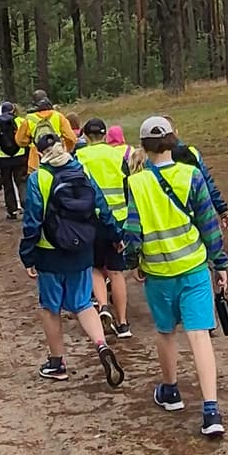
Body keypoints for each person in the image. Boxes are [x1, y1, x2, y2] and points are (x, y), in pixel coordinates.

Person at [124, 117, 228, 437]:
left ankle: (170, 391)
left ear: (143, 146)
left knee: (166, 331)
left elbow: (132, 231)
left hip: (158, 272)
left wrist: (135, 262)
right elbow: (209, 225)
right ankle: (210, 410)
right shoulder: (192, 175)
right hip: (194, 268)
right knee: (199, 336)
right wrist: (220, 263)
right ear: (173, 141)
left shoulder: (137, 183)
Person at [21, 127, 128, 387]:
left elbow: (32, 221)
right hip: (81, 249)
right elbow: (101, 208)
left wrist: (28, 255)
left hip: (49, 252)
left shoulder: (39, 179)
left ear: (38, 152)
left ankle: (57, 363)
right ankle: (101, 345)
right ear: (63, 145)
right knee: (82, 303)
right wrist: (116, 235)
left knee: (50, 308)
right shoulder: (81, 170)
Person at [73, 116, 135, 339]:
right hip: (118, 218)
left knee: (95, 267)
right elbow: (127, 186)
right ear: (105, 135)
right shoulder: (117, 155)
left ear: (86, 136)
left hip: (90, 220)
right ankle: (123, 323)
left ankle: (102, 305)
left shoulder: (80, 157)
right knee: (116, 271)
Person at [0, 102, 27, 220]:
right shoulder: (20, 121)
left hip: (3, 159)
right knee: (21, 182)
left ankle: (11, 210)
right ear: (13, 110)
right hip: (20, 157)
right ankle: (25, 206)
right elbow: (26, 139)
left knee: (7, 184)